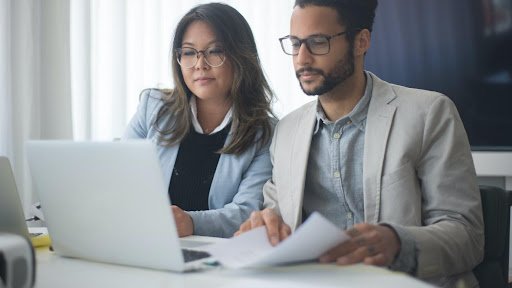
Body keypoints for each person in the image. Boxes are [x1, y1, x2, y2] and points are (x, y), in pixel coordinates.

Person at [235, 0, 484, 287]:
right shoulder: (287, 130)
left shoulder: (429, 113)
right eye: (295, 43)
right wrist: (265, 226)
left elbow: (468, 237)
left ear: (361, 42)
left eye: (318, 42)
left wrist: (398, 243)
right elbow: (276, 215)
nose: (302, 59)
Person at [124, 3, 275, 238]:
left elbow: (247, 213)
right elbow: (119, 180)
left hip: (215, 258)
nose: (199, 64)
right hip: (144, 242)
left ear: (241, 56)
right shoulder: (152, 107)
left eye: (215, 51)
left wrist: (191, 222)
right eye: (189, 52)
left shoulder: (265, 133)